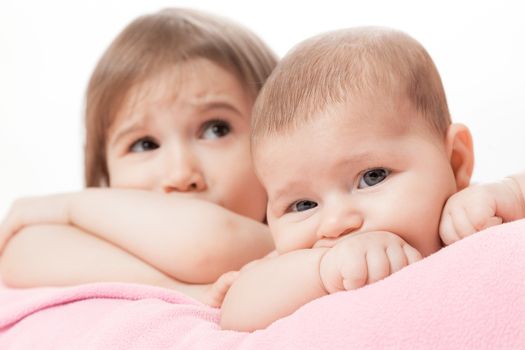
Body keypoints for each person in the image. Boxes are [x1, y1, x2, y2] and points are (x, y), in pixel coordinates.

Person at [0, 7, 277, 307]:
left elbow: (205, 243)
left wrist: (69, 205)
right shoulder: (125, 233)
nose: (181, 174)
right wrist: (174, 289)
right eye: (145, 144)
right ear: (105, 173)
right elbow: (21, 252)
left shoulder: (291, 237)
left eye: (215, 129)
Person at [220, 26, 478, 331]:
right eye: (303, 205)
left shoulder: (473, 218)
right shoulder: (296, 266)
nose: (335, 223)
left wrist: (509, 196)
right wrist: (324, 271)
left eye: (372, 177)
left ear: (455, 161)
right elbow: (236, 313)